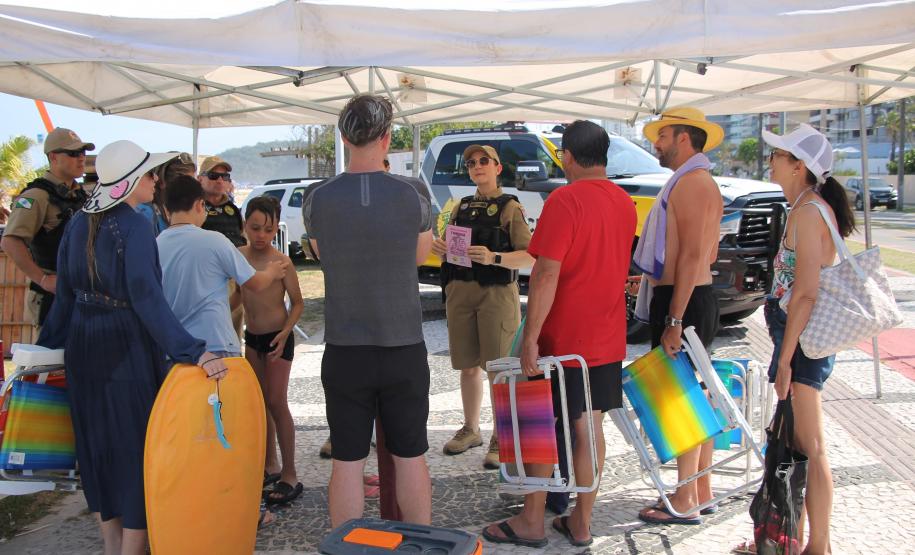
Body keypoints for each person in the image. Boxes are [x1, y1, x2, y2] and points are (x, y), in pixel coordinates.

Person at [36, 140, 227, 554]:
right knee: (138, 453)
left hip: (83, 349)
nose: (156, 180)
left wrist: (41, 351)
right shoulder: (135, 224)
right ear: (128, 183)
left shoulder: (78, 222)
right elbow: (147, 298)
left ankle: (112, 547)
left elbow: (64, 298)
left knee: (100, 452)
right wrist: (195, 351)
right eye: (148, 174)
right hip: (124, 348)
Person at [482, 120, 636, 548]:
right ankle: (582, 522)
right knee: (590, 428)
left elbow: (546, 271)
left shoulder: (565, 199)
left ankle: (532, 520)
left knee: (537, 425)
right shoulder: (625, 203)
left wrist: (530, 336)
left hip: (564, 338)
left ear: (567, 156)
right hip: (606, 337)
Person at [302, 94, 433, 527]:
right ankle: (421, 542)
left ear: (343, 137)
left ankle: (348, 545)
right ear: (387, 137)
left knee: (347, 461)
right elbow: (419, 256)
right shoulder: (412, 192)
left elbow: (324, 255)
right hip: (403, 346)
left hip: (345, 347)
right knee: (411, 456)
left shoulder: (316, 197)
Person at [733, 125, 853, 555]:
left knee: (812, 447)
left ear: (798, 166)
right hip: (798, 338)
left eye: (778, 155)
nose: (771, 161)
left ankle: (819, 546)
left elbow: (804, 293)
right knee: (803, 445)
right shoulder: (805, 206)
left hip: (800, 342)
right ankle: (798, 540)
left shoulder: (807, 212)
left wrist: (784, 360)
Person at [634, 107, 725, 526]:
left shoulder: (691, 183)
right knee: (693, 395)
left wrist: (673, 318)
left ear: (684, 138)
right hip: (687, 296)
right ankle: (699, 489)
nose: (657, 142)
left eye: (664, 135)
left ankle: (687, 494)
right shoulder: (697, 181)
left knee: (681, 399)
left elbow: (691, 256)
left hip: (684, 301)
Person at [431, 144, 533, 469]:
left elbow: (530, 255)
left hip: (496, 294)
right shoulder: (459, 206)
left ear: (498, 168)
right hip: (461, 291)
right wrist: (442, 249)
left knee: (499, 369)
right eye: (472, 163)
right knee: (467, 365)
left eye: (484, 161)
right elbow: (451, 247)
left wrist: (495, 257)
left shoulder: (510, 208)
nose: (477, 166)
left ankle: (502, 435)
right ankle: (471, 428)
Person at [156, 175, 289, 360]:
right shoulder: (215, 241)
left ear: (165, 208)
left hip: (174, 349)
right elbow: (256, 284)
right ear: (199, 205)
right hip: (216, 344)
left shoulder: (155, 245)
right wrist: (271, 272)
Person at [239, 195, 305, 505]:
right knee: (259, 402)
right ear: (244, 227)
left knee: (277, 402)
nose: (261, 235)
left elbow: (299, 302)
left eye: (267, 229)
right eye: (255, 228)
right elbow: (238, 299)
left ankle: (290, 472)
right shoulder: (238, 257)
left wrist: (286, 331)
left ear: (276, 228)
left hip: (278, 338)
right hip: (252, 340)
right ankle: (270, 463)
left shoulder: (282, 262)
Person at [1, 127, 94, 329]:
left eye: (82, 153)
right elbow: (10, 241)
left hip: (81, 295)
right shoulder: (36, 196)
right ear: (53, 156)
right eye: (73, 153)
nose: (81, 158)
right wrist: (42, 279)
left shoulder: (81, 196)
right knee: (50, 359)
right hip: (51, 299)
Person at [136, 152, 195, 236]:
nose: (193, 189)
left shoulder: (187, 210)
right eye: (187, 183)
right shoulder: (144, 213)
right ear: (163, 182)